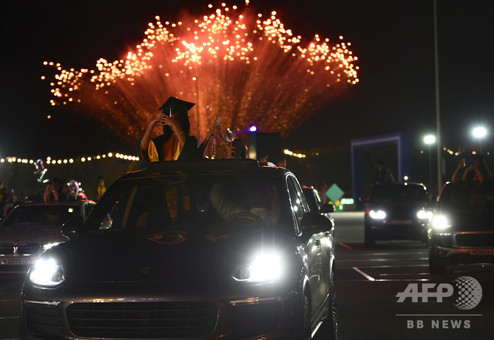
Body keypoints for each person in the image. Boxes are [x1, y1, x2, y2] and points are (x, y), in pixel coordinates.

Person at [139, 96, 199, 163]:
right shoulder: (161, 140)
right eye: (169, 119)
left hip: (181, 173)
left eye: (175, 118)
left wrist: (174, 125)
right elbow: (144, 148)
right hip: (164, 173)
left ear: (183, 120)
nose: (171, 121)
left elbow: (187, 150)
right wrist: (151, 125)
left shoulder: (191, 141)